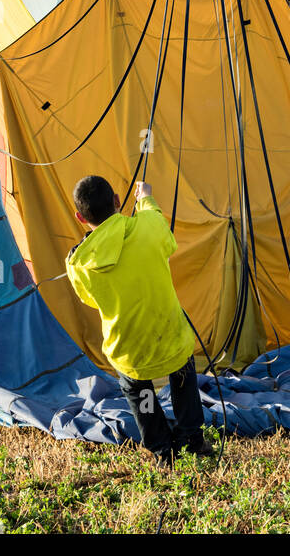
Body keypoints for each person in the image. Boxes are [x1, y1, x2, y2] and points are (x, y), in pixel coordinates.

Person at [65, 174, 210, 468]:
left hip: (130, 351)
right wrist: (145, 196)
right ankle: (192, 439)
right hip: (171, 338)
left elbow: (91, 300)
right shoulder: (149, 226)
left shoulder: (78, 263)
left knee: (140, 393)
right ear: (118, 201)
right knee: (183, 378)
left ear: (80, 217)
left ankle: (162, 451)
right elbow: (157, 224)